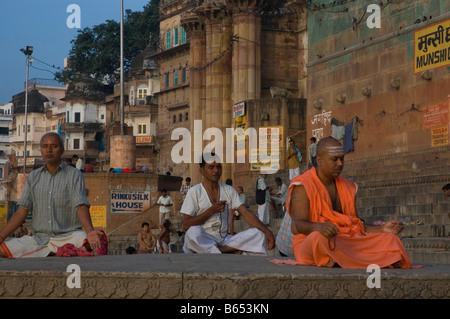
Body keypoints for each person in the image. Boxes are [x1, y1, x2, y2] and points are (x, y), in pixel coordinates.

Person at [286, 136, 412, 268]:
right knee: (319, 239)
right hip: (312, 242)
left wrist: (381, 229)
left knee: (390, 239)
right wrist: (318, 227)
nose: (340, 164)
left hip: (345, 240)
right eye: (334, 159)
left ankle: (343, 259)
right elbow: (297, 225)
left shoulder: (348, 186)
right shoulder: (303, 185)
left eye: (342, 159)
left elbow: (356, 224)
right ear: (319, 160)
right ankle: (378, 259)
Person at [0, 132, 103, 258]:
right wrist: (1, 236)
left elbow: (80, 205)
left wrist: (90, 231)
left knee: (85, 240)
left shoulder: (74, 175)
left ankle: (50, 253)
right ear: (41, 150)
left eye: (54, 146)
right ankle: (54, 253)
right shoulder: (33, 177)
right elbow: (21, 212)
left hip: (69, 236)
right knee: (2, 249)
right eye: (45, 146)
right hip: (39, 239)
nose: (49, 150)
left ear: (62, 150)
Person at [181, 152, 275, 255]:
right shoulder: (194, 191)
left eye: (218, 167)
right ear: (202, 170)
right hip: (203, 240)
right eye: (211, 167)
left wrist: (267, 231)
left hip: (224, 240)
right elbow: (186, 225)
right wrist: (211, 210)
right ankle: (227, 251)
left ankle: (220, 250)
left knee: (258, 233)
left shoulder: (229, 190)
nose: (216, 170)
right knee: (192, 233)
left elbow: (246, 213)